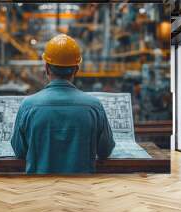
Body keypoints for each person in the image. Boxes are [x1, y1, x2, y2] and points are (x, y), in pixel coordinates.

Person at [11, 34, 115, 174]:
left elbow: (19, 151)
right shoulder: (94, 107)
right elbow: (105, 150)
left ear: (47, 68)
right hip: (81, 191)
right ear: (76, 70)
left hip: (37, 191)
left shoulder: (27, 106)